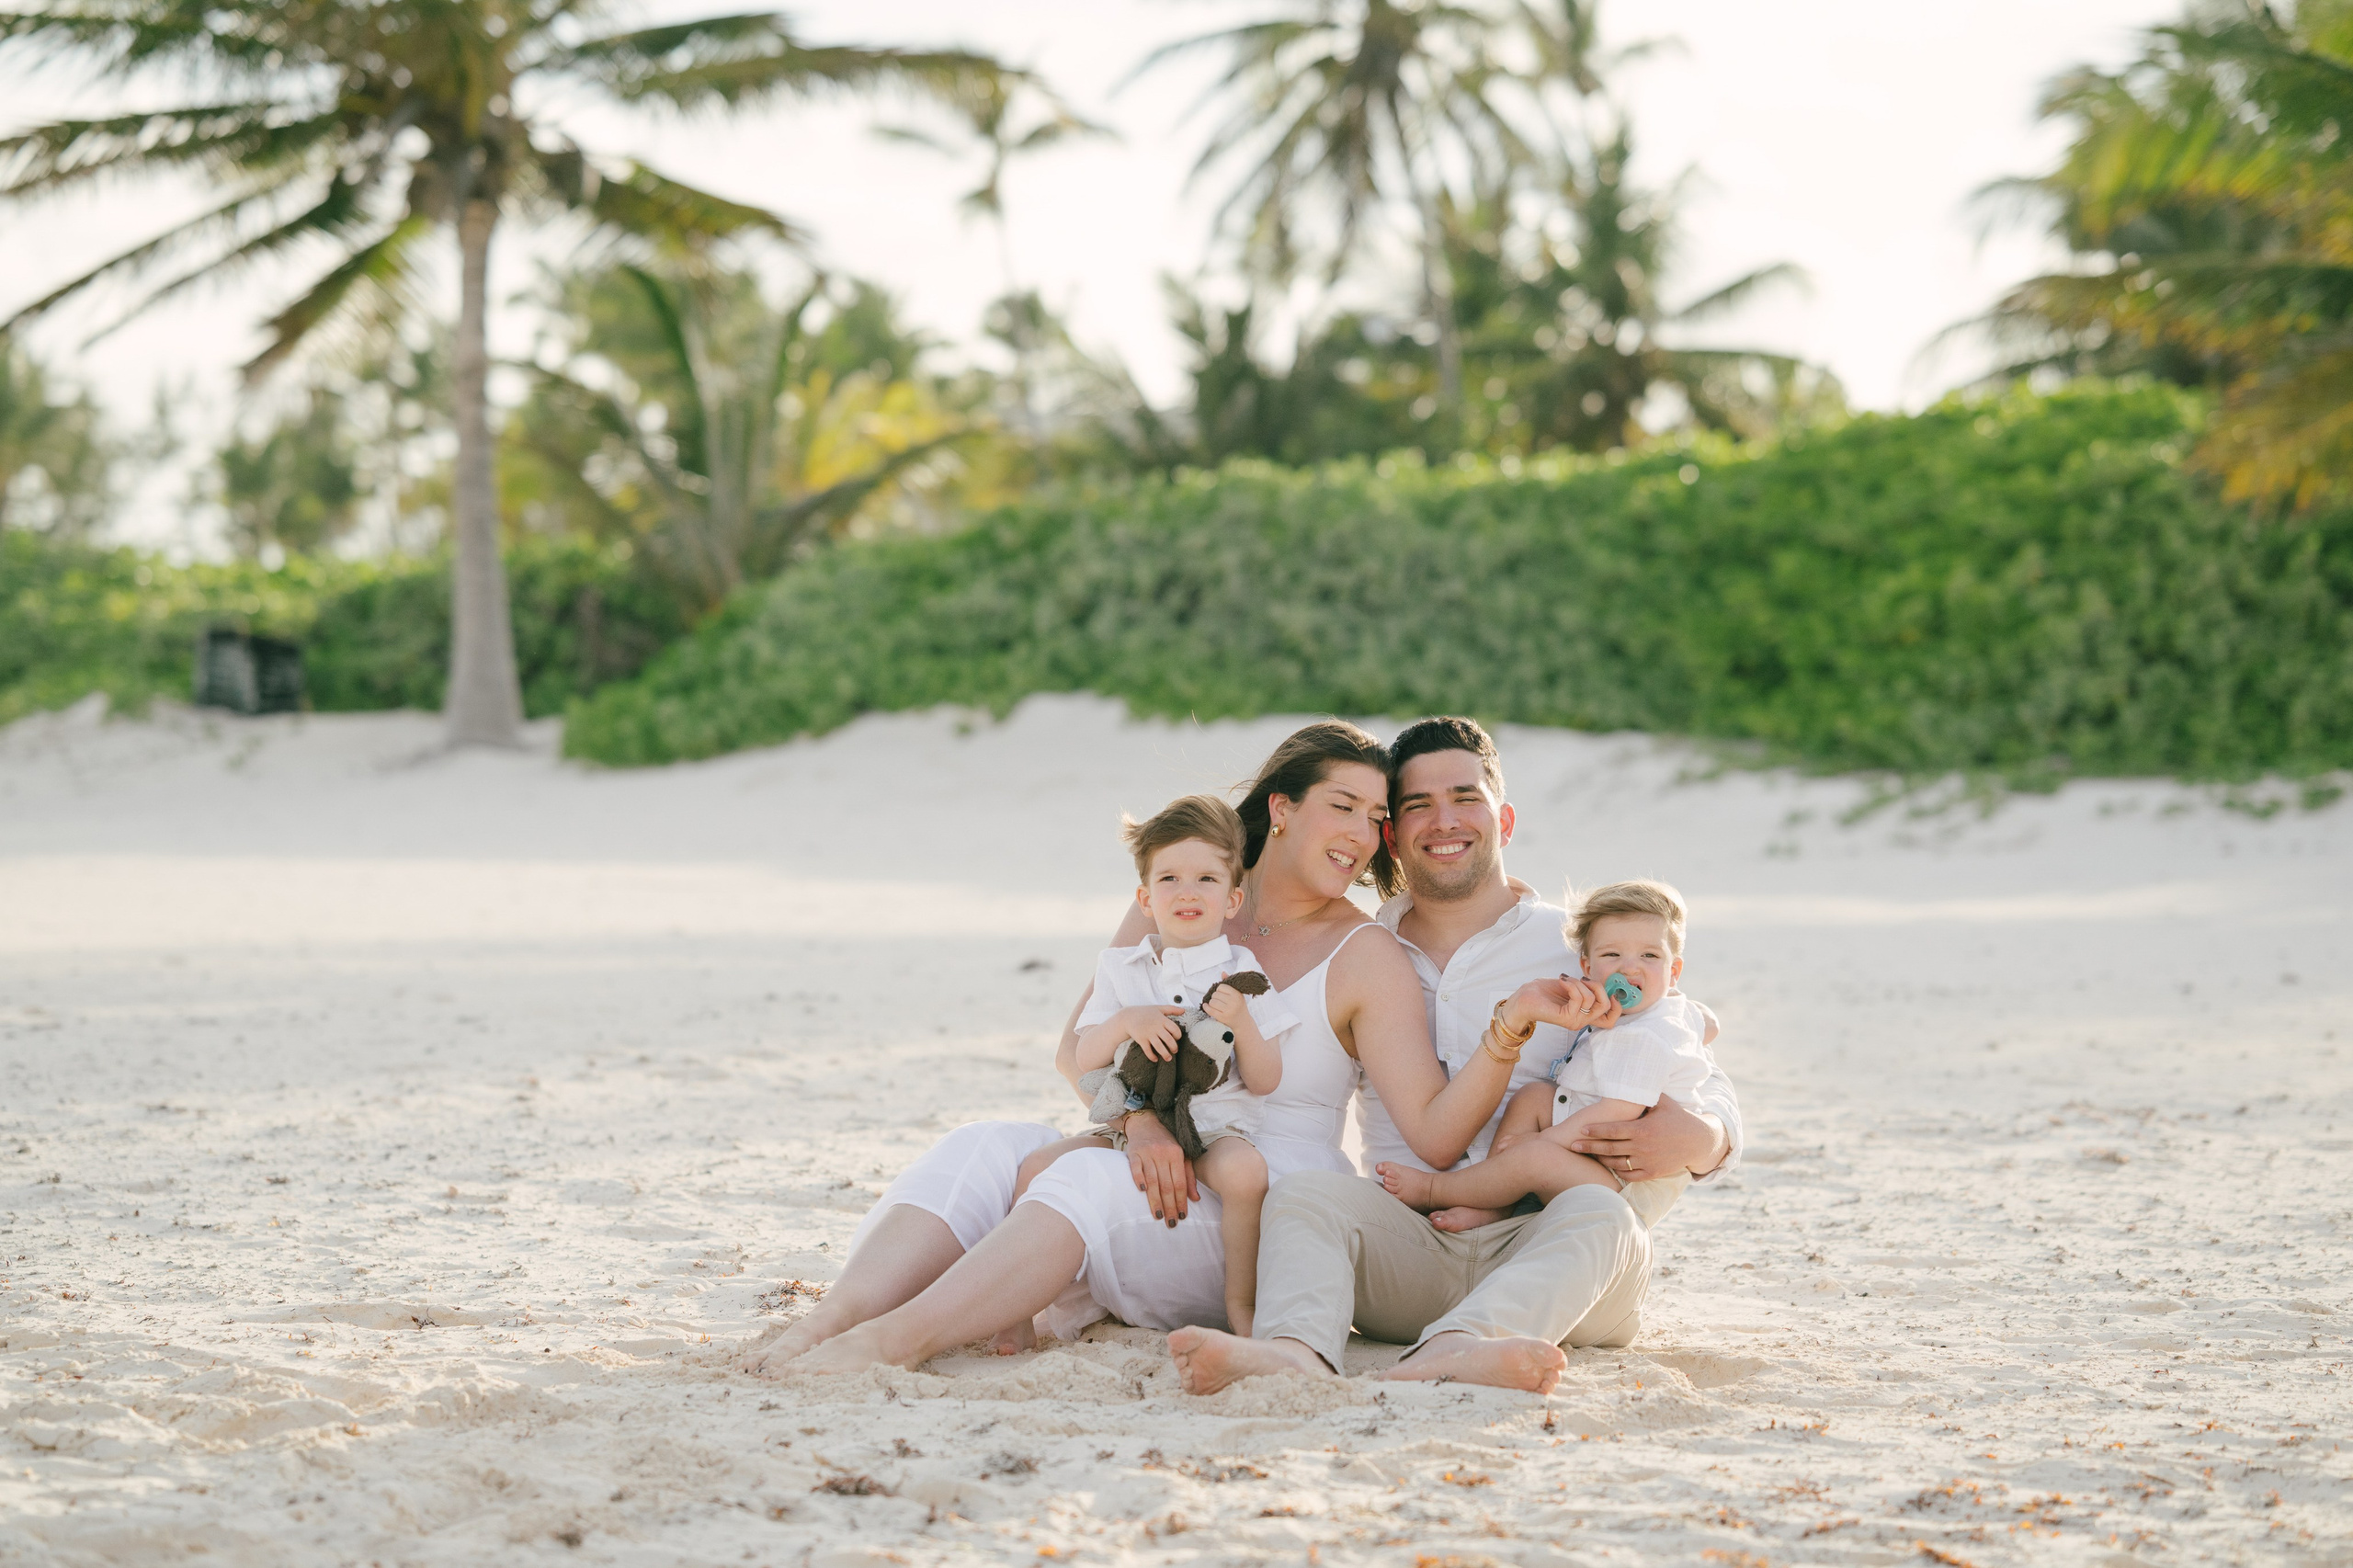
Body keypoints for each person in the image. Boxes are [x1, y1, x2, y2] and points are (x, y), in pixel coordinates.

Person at [745, 722, 1619, 1375]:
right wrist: (1140, 1126)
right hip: (1151, 1149)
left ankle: (895, 1341)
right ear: (1281, 809)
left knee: (1083, 1180)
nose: (1360, 836)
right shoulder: (1189, 885)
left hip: (1259, 1199)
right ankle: (827, 1324)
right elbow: (1076, 1051)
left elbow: (1430, 1131)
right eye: (1341, 808)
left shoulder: (1367, 954)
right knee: (985, 1143)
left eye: (1374, 817)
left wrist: (1510, 1029)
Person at [1165, 716, 1744, 1396]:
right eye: (1417, 806)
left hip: (1553, 1258)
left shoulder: (1578, 946)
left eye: (1466, 798)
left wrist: (1709, 1137)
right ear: (1393, 833)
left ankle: (1467, 1344)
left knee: (1606, 1215)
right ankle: (1296, 1352)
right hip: (1408, 1247)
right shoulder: (1356, 949)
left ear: (1504, 819)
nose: (1445, 821)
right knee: (1304, 1196)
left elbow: (1680, 1048)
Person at [1042, 794, 1299, 1337]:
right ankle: (1016, 1314)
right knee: (1034, 1169)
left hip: (1214, 1129)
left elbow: (1266, 1079)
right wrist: (1126, 1022)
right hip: (1134, 1121)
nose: (1187, 892)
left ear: (1232, 900)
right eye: (1170, 880)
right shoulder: (1121, 967)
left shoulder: (1242, 970)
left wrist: (1243, 1022)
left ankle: (1240, 1305)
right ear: (1144, 897)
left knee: (1247, 1173)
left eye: (1206, 879)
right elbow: (1084, 1057)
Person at [1377, 879, 1713, 1230]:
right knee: (1533, 1096)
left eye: (1650, 955)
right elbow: (1707, 1023)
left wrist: (1545, 1140)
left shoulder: (1645, 1034)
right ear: (1587, 966)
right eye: (1612, 954)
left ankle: (1437, 1189)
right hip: (1595, 1153)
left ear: (1674, 971)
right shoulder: (1669, 1009)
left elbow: (1617, 1112)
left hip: (1626, 1184)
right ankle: (1494, 1201)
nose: (1630, 968)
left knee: (1534, 1157)